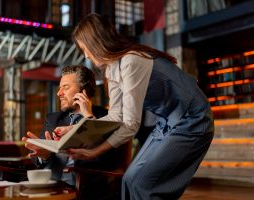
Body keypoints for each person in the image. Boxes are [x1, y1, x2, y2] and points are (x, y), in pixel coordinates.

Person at [63, 13, 214, 200]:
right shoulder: (111, 68)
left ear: (98, 41)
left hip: (193, 119)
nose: (85, 55)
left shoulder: (131, 61)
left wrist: (95, 152)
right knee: (130, 179)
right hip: (166, 123)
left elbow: (130, 124)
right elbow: (117, 116)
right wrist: (75, 129)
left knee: (143, 184)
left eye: (85, 48)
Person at [22, 65, 107, 185]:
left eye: (65, 88)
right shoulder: (53, 119)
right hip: (48, 185)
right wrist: (44, 155)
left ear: (84, 90)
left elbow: (104, 159)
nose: (59, 93)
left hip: (84, 188)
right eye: (59, 88)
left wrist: (88, 117)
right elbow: (37, 159)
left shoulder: (105, 117)